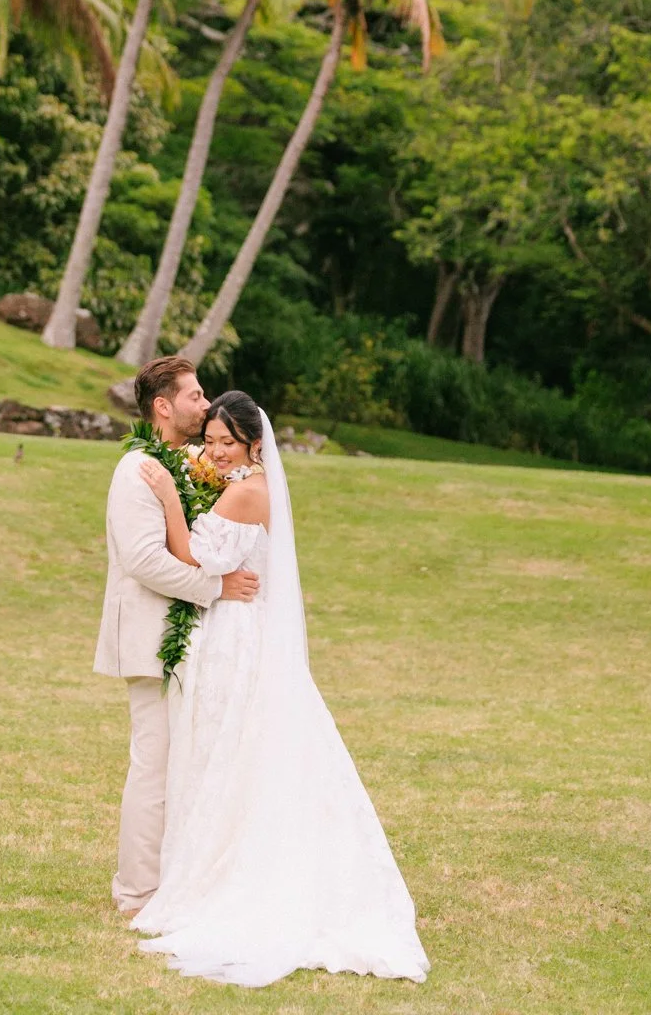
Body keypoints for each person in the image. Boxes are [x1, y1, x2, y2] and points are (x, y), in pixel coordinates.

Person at [130, 390, 430, 988]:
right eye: (209, 440)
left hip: (236, 636)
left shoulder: (246, 490)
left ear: (254, 445)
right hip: (242, 628)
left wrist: (168, 497)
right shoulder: (245, 484)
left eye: (226, 443)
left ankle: (223, 877)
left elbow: (194, 554)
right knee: (234, 753)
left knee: (228, 753)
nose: (213, 452)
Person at [94, 356, 260, 915]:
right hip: (148, 638)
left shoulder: (183, 463)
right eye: (193, 395)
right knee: (154, 765)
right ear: (163, 406)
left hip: (190, 641)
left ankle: (178, 880)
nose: (203, 402)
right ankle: (137, 892)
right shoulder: (137, 468)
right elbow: (143, 559)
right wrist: (216, 588)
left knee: (181, 764)